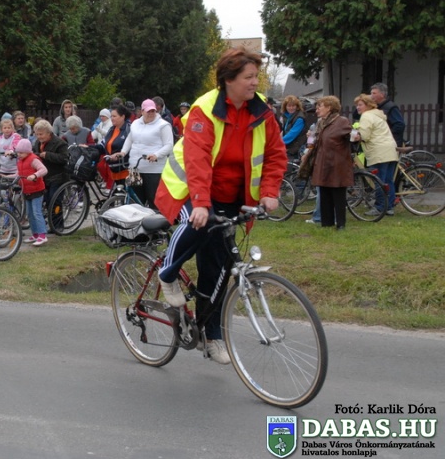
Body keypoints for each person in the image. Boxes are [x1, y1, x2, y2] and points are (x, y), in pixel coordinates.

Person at [154, 47, 287, 365]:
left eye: (256, 76)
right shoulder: (205, 109)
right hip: (188, 190)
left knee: (218, 270)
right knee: (196, 225)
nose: (255, 82)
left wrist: (269, 191)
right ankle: (167, 273)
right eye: (249, 77)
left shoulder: (262, 110)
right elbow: (197, 159)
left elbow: (275, 153)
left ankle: (211, 336)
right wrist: (201, 203)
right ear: (229, 79)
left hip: (233, 198)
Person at [111, 99, 173, 209]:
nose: (151, 113)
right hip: (135, 168)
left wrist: (156, 155)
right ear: (142, 111)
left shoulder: (163, 125)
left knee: (153, 199)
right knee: (135, 201)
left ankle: (156, 218)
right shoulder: (135, 123)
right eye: (148, 111)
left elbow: (169, 145)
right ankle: (138, 219)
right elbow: (130, 139)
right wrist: (123, 152)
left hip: (154, 170)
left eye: (153, 111)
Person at [310, 96, 352, 229]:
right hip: (323, 161)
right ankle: (326, 223)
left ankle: (340, 224)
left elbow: (351, 135)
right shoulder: (321, 123)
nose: (317, 109)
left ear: (329, 107)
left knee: (338, 194)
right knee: (324, 192)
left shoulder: (341, 121)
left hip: (337, 163)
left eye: (320, 106)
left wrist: (356, 137)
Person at [353, 93, 398, 216]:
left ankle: (379, 207)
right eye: (357, 105)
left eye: (360, 105)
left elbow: (365, 136)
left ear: (368, 105)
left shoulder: (366, 116)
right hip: (390, 149)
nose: (357, 107)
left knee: (378, 181)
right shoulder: (378, 115)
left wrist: (356, 136)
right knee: (388, 180)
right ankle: (389, 207)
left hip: (378, 151)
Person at [31, 120, 68, 229]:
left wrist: (48, 155)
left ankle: (58, 225)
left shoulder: (60, 143)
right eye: (37, 134)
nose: (39, 137)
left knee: (54, 200)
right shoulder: (37, 143)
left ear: (49, 133)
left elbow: (64, 158)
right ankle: (51, 223)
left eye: (41, 134)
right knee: (46, 200)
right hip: (44, 177)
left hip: (58, 176)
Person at [15, 139, 49, 246]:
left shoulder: (33, 159)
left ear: (28, 151)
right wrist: (6, 176)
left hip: (37, 190)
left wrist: (35, 175)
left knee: (36, 212)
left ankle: (42, 235)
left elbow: (44, 170)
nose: (19, 155)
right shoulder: (20, 161)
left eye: (21, 152)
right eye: (18, 152)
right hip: (27, 191)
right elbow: (18, 174)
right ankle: (35, 234)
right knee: (29, 214)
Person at [93, 104, 131, 189]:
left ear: (123, 117)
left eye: (114, 116)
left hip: (125, 169)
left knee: (125, 194)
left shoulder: (128, 129)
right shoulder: (112, 129)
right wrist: (89, 147)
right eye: (111, 116)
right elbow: (103, 145)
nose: (112, 118)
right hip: (114, 168)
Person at [369, 82, 406, 147]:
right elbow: (356, 115)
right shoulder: (374, 107)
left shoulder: (391, 107)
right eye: (371, 93)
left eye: (374, 93)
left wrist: (385, 134)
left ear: (382, 95)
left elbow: (399, 125)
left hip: (390, 143)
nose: (371, 96)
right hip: (379, 143)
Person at [280, 95, 309, 160]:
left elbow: (291, 134)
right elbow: (284, 131)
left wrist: (277, 143)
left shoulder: (300, 118)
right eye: (289, 106)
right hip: (289, 147)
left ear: (297, 106)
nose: (291, 108)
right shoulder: (286, 116)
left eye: (293, 106)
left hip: (296, 150)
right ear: (285, 107)